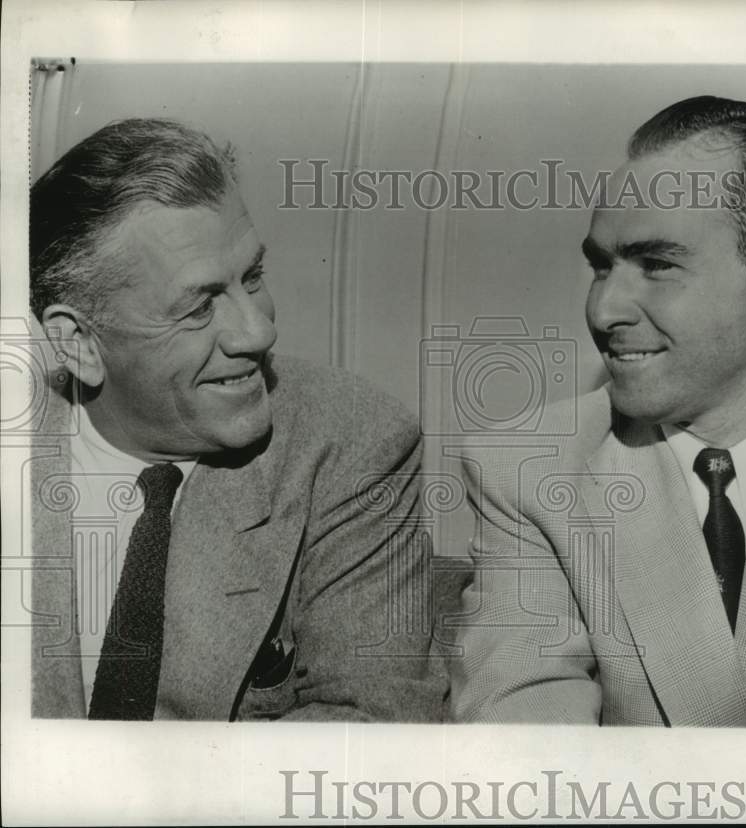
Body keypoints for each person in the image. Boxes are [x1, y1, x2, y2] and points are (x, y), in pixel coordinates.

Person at [28, 118, 447, 721]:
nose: (258, 332)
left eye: (252, 278)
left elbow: (373, 726)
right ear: (78, 344)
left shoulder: (353, 441)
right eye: (200, 307)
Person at [449, 95, 746, 727]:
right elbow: (523, 751)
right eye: (601, 267)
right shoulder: (527, 470)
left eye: (658, 265)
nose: (603, 310)